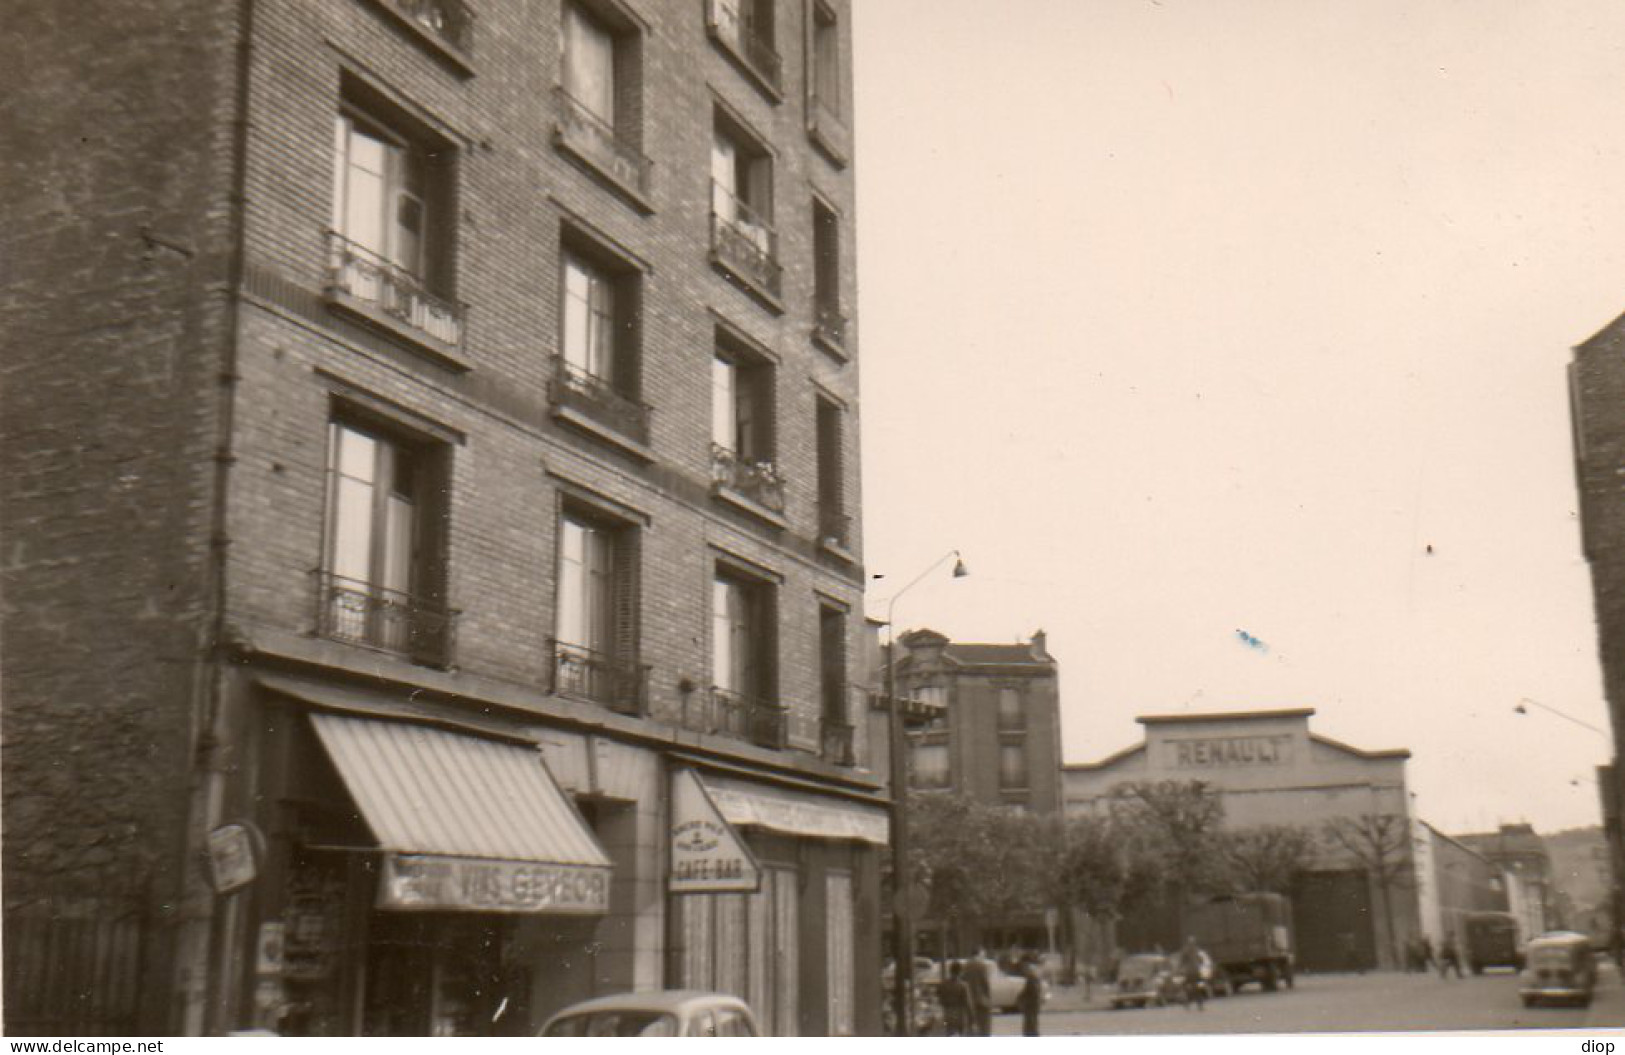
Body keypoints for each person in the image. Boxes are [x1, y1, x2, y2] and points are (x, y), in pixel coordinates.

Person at [962, 949, 993, 1037]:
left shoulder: (966, 966)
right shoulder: (982, 966)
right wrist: (989, 999)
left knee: (971, 1026)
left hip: (970, 1000)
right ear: (978, 954)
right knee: (984, 1028)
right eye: (983, 955)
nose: (984, 957)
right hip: (982, 1000)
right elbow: (985, 984)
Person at [939, 961, 970, 1037]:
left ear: (950, 971)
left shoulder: (944, 984)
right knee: (962, 1034)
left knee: (949, 1034)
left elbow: (941, 999)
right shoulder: (963, 985)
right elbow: (967, 1002)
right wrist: (972, 1017)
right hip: (960, 1015)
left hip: (948, 1013)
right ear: (960, 972)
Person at [1177, 936, 1208, 1011]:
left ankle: (1188, 1004)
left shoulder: (1185, 950)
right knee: (1196, 988)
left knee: (1188, 988)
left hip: (1189, 972)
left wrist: (1180, 970)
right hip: (1195, 971)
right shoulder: (1196, 950)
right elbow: (1201, 960)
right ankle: (1199, 1005)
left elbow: (1181, 962)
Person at [1017, 954, 1044, 1037]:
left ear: (1026, 963)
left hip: (1031, 1004)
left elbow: (1033, 990)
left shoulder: (1032, 973)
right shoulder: (1033, 972)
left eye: (1023, 965)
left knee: (1031, 1027)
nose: (1022, 968)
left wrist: (1023, 999)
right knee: (1031, 1026)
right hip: (1032, 1004)